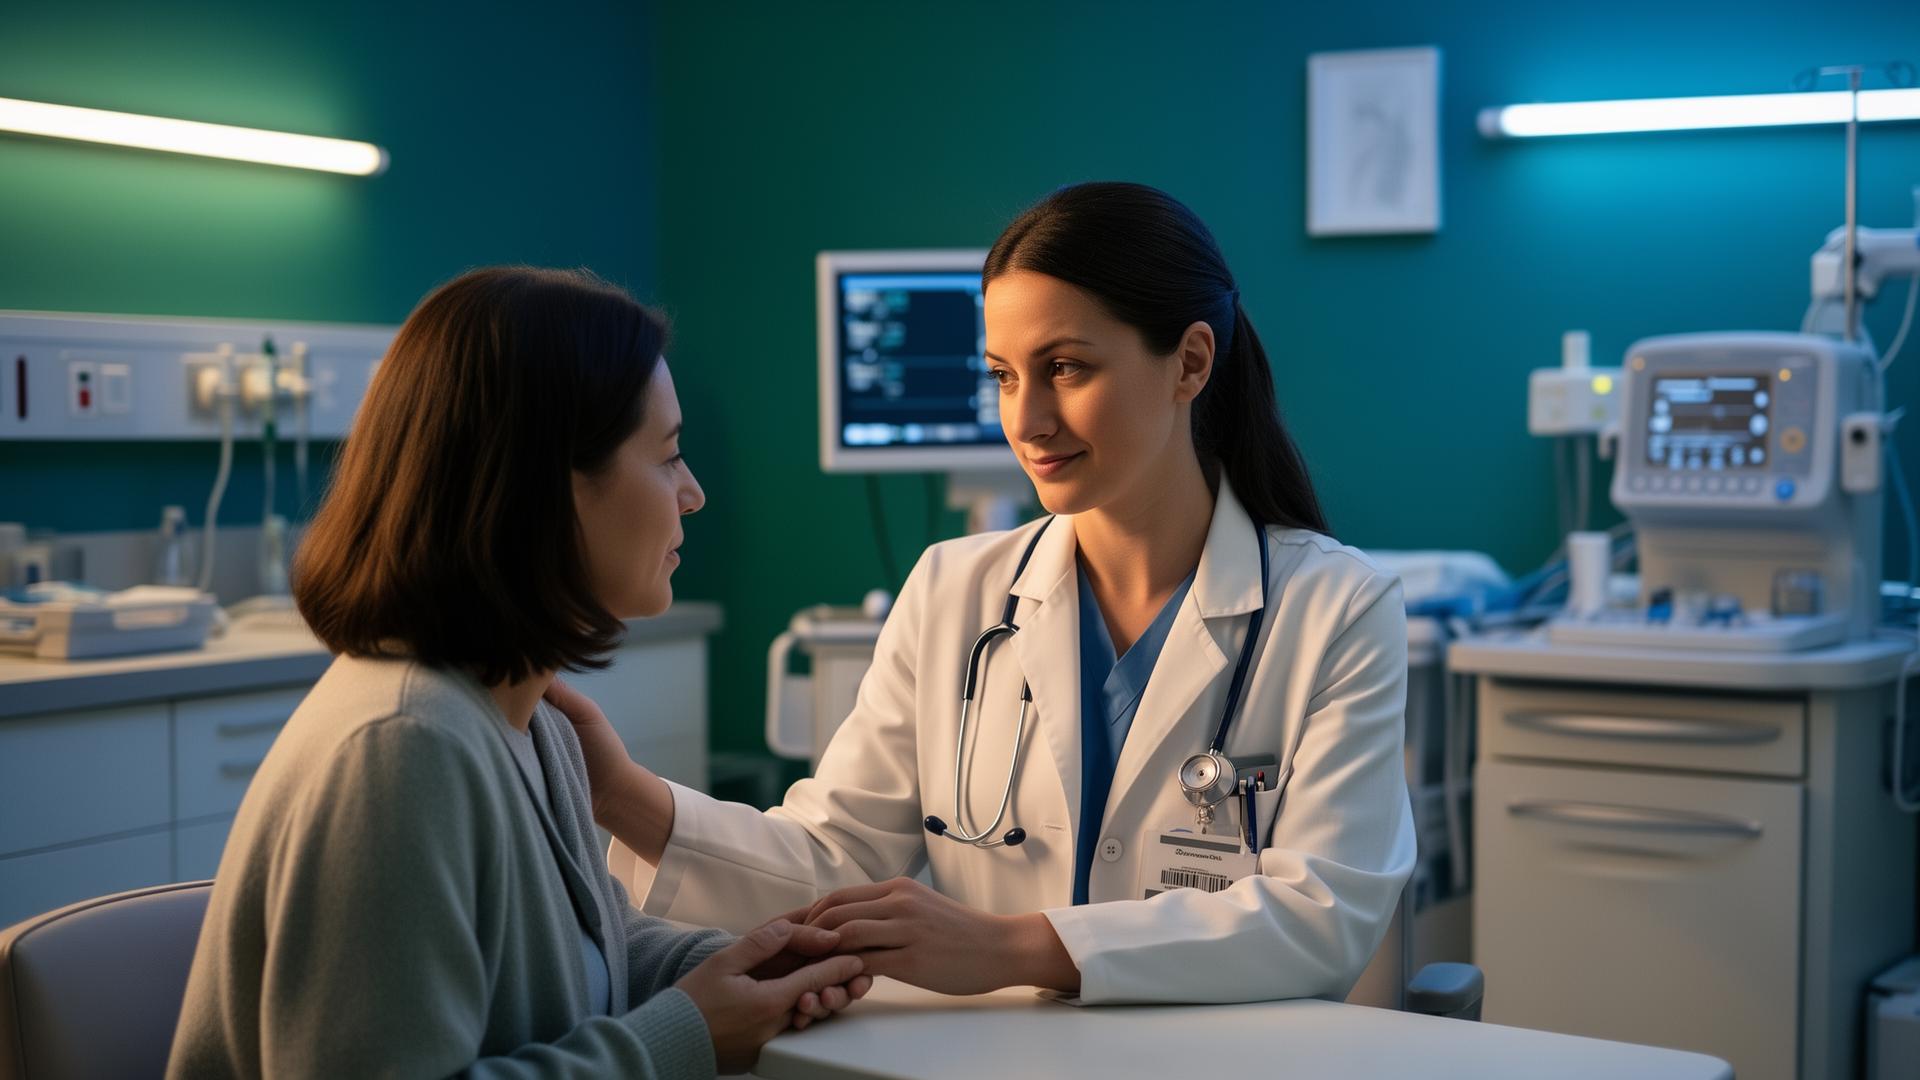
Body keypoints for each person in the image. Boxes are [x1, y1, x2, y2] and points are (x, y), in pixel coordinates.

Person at [557, 181, 1417, 1006]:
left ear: (1190, 363)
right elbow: (838, 856)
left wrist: (1007, 947)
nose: (1026, 419)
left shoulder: (1336, 609)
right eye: (1004, 375)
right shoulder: (952, 589)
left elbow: (1322, 916)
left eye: (1066, 368)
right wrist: (620, 791)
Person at [168, 266, 868, 1078]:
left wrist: (734, 967)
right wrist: (688, 1034)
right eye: (669, 457)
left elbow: (592, 949)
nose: (694, 494)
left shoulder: (526, 718)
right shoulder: (401, 748)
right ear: (549, 488)